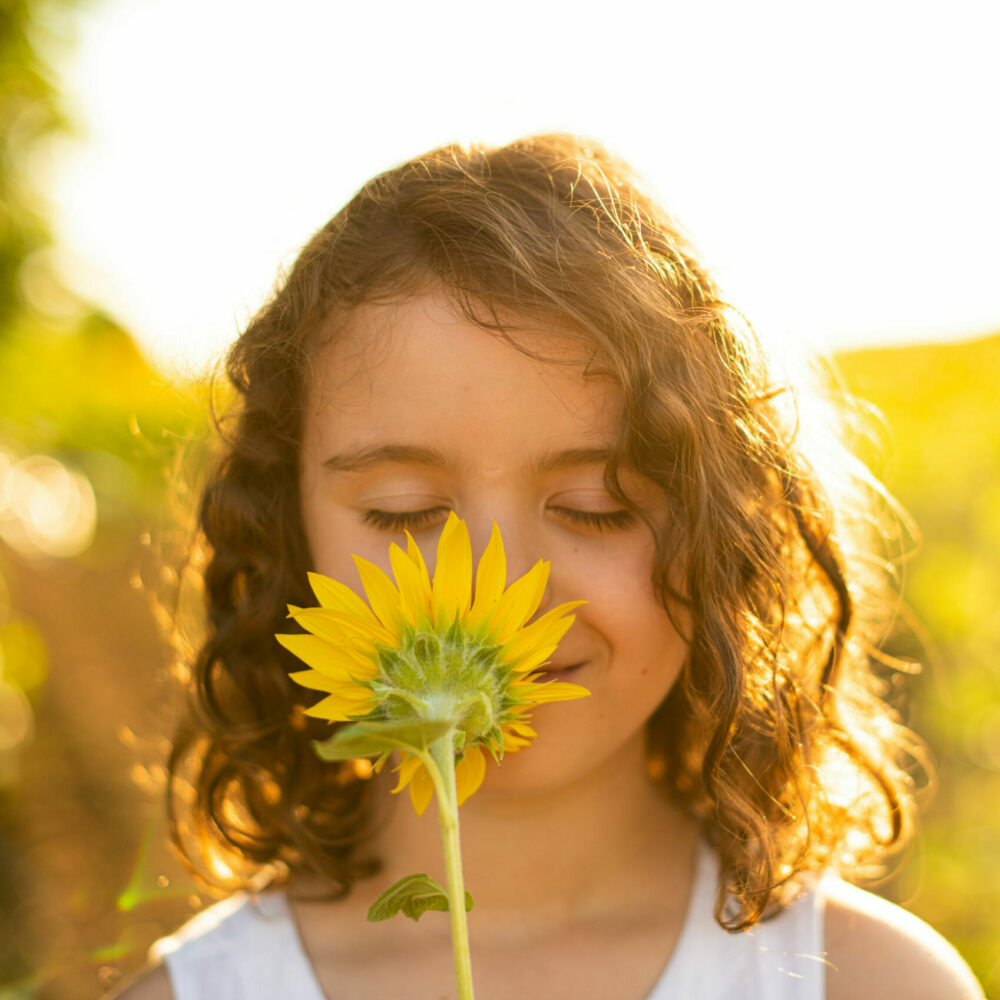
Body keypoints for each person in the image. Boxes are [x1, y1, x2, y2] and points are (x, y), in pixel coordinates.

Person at [113, 134, 984, 1000]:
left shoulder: (871, 984)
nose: (499, 589)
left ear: (727, 529)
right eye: (405, 510)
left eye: (597, 508)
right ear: (284, 526)